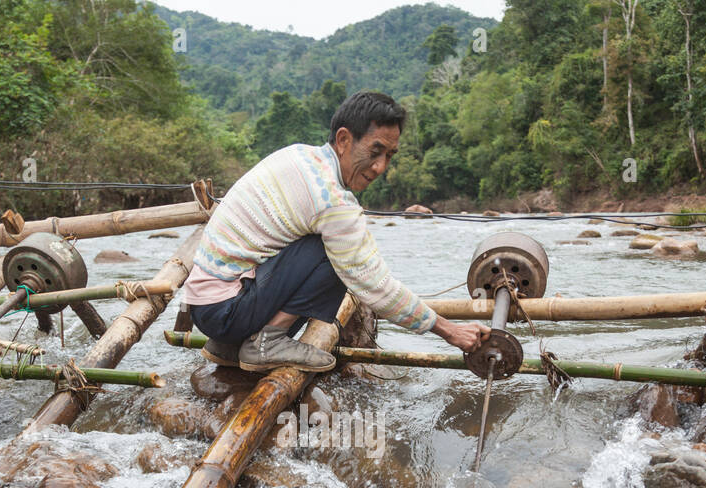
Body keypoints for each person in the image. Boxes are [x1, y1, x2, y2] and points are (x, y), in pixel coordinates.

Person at [180, 90, 489, 372]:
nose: (380, 167)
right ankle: (267, 341)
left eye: (389, 156)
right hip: (226, 310)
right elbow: (375, 285)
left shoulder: (300, 155)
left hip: (205, 307)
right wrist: (449, 330)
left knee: (327, 246)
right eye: (375, 151)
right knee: (333, 255)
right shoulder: (332, 201)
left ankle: (233, 343)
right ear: (343, 140)